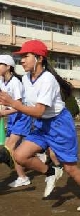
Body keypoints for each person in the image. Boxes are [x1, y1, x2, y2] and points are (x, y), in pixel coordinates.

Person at [0, 40, 80, 211]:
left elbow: (38, 111)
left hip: (59, 125)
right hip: (41, 125)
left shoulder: (48, 80)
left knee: (70, 168)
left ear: (39, 58)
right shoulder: (25, 78)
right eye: (21, 57)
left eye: (26, 56)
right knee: (20, 155)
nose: (21, 60)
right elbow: (27, 105)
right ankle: (51, 172)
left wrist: (13, 104)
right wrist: (9, 104)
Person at [0, 55, 32, 187]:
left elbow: (19, 105)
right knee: (12, 150)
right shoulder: (3, 81)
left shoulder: (15, 83)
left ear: (8, 67)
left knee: (8, 148)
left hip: (22, 116)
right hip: (13, 117)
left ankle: (41, 161)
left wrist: (4, 112)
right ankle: (23, 177)